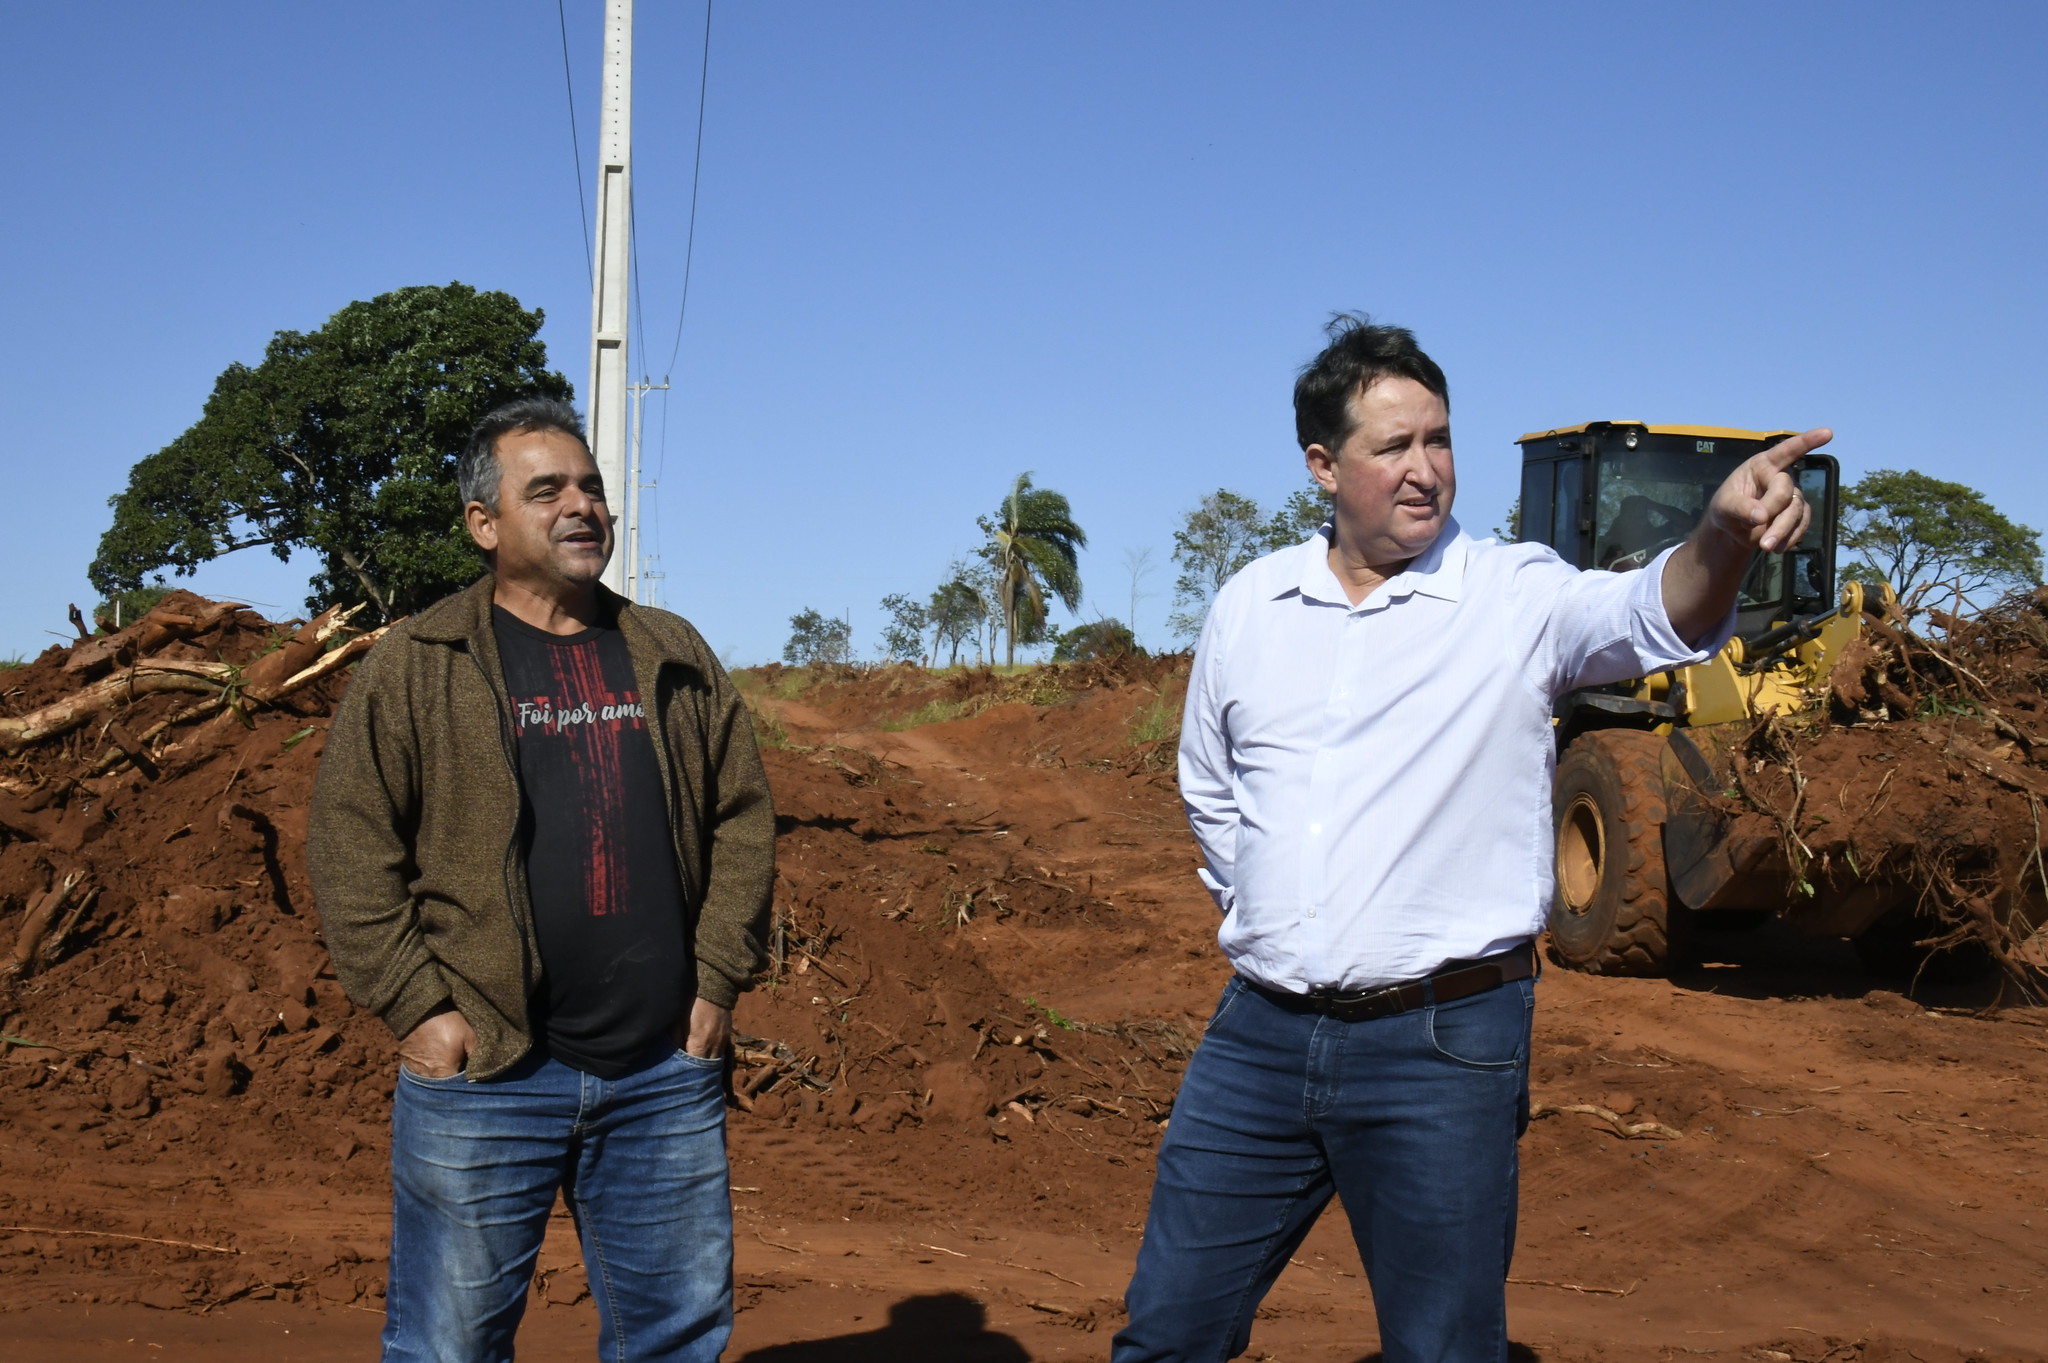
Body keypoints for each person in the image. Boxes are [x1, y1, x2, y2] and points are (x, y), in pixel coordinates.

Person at [1113, 316, 1824, 1363]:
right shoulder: (1250, 606)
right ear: (1321, 465)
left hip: (1438, 1049)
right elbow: (1211, 792)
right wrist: (1275, 914)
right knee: (1167, 1333)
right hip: (1255, 1040)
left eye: (1438, 440)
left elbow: (1654, 611)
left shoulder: (1511, 596)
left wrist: (1717, 534)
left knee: (1443, 1348)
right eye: (1390, 447)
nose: (1424, 470)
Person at [308, 397, 776, 1362]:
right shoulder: (419, 664)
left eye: (592, 487)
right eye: (548, 489)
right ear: (484, 524)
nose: (582, 506)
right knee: (450, 1345)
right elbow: (352, 841)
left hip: (660, 1072)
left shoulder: (671, 652)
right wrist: (417, 1008)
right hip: (486, 1073)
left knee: (676, 1337)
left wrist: (717, 982)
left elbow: (742, 817)